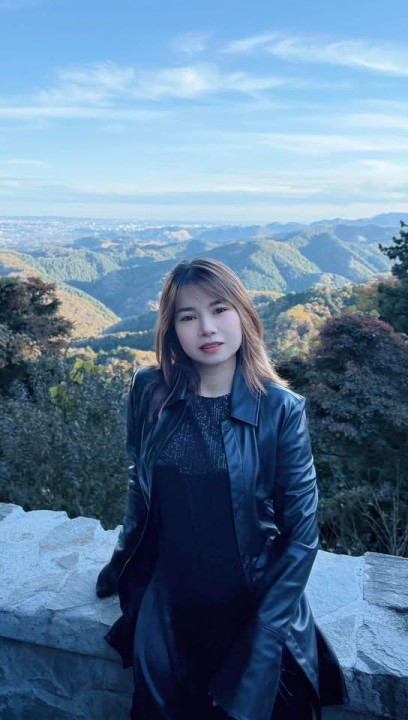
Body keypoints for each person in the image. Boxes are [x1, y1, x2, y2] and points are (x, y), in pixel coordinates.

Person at [96, 257, 348, 720]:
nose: (207, 328)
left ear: (243, 315)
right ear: (172, 329)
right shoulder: (149, 390)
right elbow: (140, 485)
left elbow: (301, 538)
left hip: (253, 605)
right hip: (170, 606)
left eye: (219, 310)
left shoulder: (280, 408)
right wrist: (121, 562)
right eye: (188, 316)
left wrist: (260, 647)